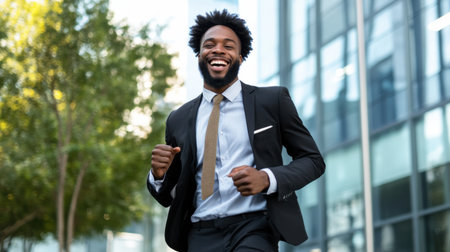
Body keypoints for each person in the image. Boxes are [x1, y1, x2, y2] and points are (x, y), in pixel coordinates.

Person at [147, 9, 325, 252]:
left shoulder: (272, 101)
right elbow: (169, 195)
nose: (218, 49)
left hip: (254, 227)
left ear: (240, 56)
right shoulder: (178, 119)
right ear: (199, 54)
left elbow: (313, 160)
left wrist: (266, 178)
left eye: (228, 46)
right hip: (199, 233)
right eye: (209, 45)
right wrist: (158, 175)